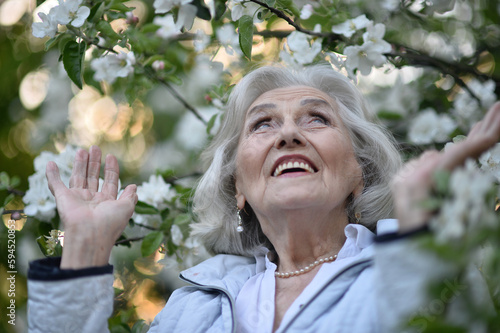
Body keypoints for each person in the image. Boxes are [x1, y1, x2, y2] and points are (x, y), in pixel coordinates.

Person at [27, 65, 500, 333]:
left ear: (360, 174)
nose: (289, 133)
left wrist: (420, 241)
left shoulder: (413, 266)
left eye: (316, 119)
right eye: (263, 123)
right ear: (238, 189)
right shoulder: (192, 308)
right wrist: (83, 256)